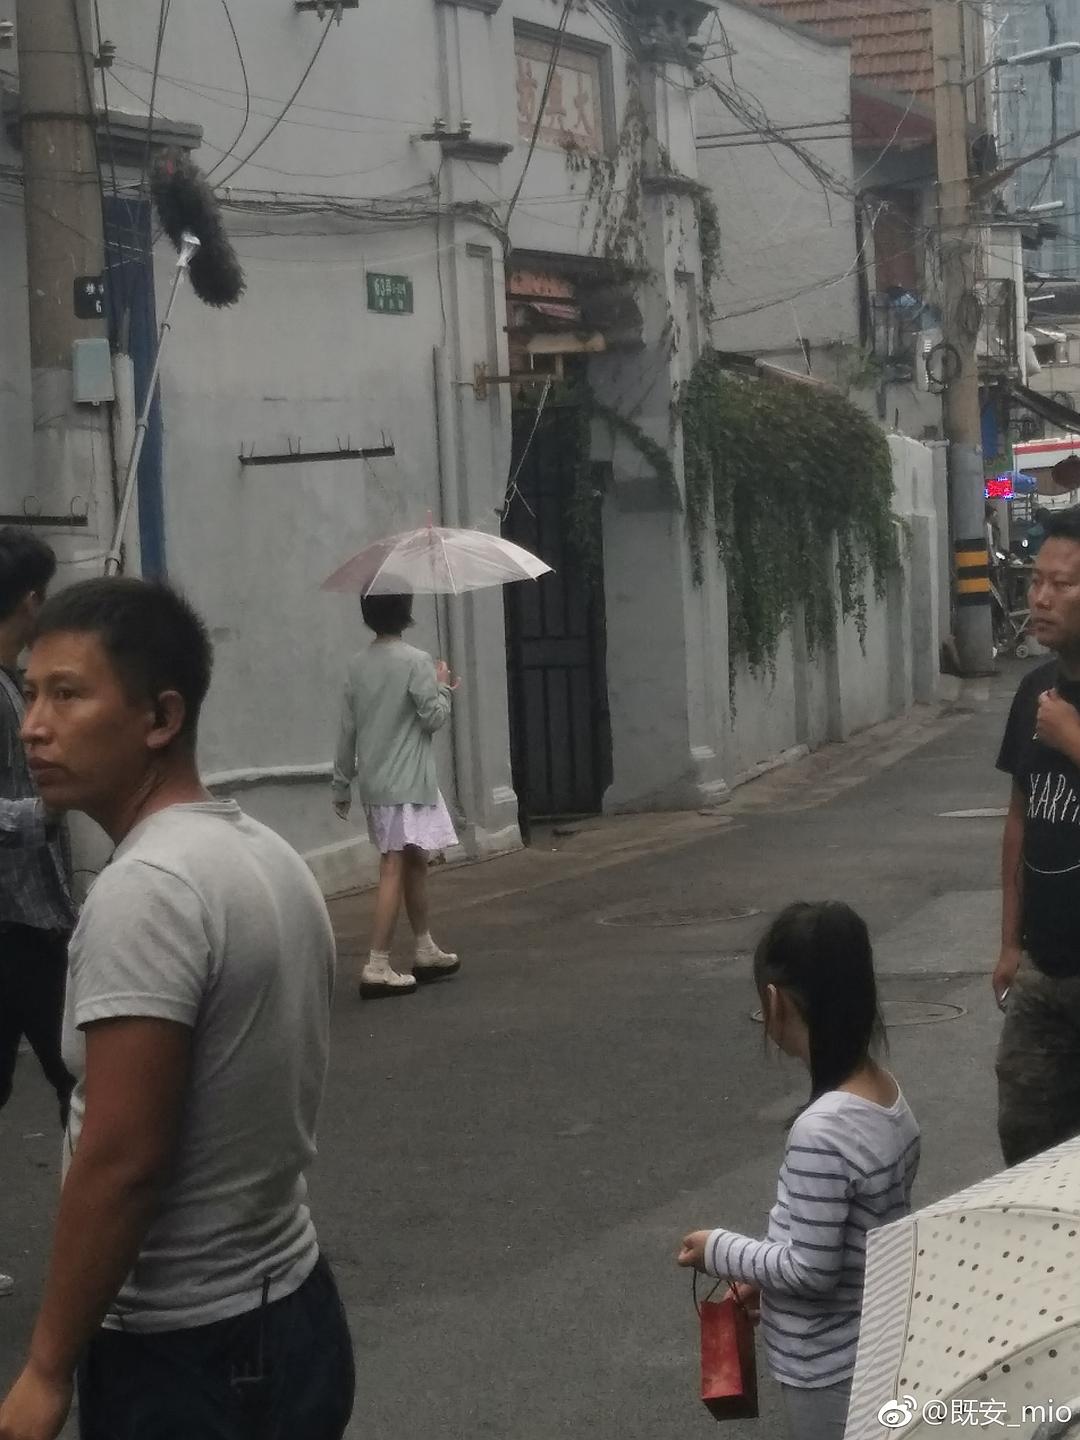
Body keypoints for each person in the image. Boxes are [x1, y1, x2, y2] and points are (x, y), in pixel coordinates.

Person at [0, 578, 354, 1440]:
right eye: (30, 692)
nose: (32, 725)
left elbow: (124, 1161)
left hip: (190, 1353)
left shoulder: (146, 892)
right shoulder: (265, 852)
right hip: (293, 1307)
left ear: (160, 717)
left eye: (67, 695)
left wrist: (46, 1369)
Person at [677, 901, 920, 1440]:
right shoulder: (886, 1095)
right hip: (875, 1343)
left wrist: (718, 1249)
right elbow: (848, 1240)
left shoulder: (821, 1131)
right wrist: (762, 1281)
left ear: (775, 1001)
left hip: (827, 1367)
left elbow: (811, 1270)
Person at [0, 528, 76, 1303]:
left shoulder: (16, 685)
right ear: (28, 602)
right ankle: (107, 1249)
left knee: (75, 1080)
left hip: (34, 920)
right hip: (18, 928)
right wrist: (43, 812)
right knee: (80, 1081)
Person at [995, 506, 1080, 1165]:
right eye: (1036, 581)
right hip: (1043, 970)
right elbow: (1020, 819)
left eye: (1063, 583)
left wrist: (1073, 739)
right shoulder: (1034, 691)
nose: (1041, 598)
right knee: (1026, 1147)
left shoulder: (1058, 717)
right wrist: (1008, 944)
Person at [332, 591, 460, 998]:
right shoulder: (416, 661)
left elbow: (348, 728)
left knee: (415, 859)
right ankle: (377, 964)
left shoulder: (357, 665)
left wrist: (341, 782)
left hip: (377, 781)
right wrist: (444, 687)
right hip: (408, 781)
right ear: (406, 613)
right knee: (394, 864)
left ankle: (424, 948)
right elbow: (433, 718)